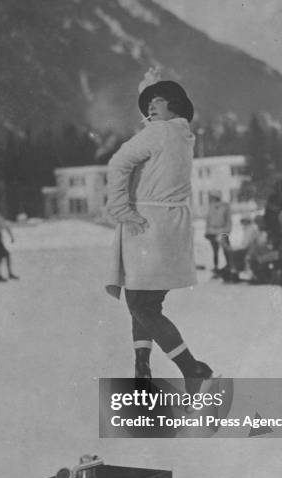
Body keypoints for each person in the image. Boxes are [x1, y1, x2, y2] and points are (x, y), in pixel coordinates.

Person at [105, 71, 212, 392]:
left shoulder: (159, 133)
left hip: (147, 224)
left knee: (140, 304)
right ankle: (142, 367)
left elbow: (118, 163)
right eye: (147, 102)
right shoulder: (179, 133)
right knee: (145, 302)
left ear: (175, 105)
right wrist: (149, 90)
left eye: (157, 100)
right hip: (170, 226)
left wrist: (121, 208)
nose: (150, 106)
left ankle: (192, 369)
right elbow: (153, 128)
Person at [204, 190, 231, 277]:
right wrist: (207, 231)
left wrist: (226, 231)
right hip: (213, 231)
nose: (210, 199)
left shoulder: (225, 206)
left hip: (223, 231)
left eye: (211, 197)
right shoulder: (211, 207)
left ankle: (229, 266)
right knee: (215, 250)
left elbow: (228, 220)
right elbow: (208, 220)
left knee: (226, 249)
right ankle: (216, 267)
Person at [264, 179, 282, 250]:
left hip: (281, 225)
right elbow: (267, 211)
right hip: (273, 224)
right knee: (276, 244)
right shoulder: (272, 197)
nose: (280, 191)